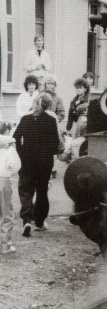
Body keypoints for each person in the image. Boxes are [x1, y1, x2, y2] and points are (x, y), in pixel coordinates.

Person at [13, 92, 60, 236]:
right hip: (44, 162)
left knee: (26, 190)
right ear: (48, 105)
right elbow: (55, 143)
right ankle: (39, 222)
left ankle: (27, 220)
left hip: (27, 160)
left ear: (34, 103)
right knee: (42, 191)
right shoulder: (51, 120)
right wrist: (48, 153)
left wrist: (21, 153)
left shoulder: (25, 119)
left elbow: (15, 137)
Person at [0, 123, 20, 255]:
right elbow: (15, 166)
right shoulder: (10, 149)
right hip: (3, 179)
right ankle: (5, 245)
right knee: (6, 213)